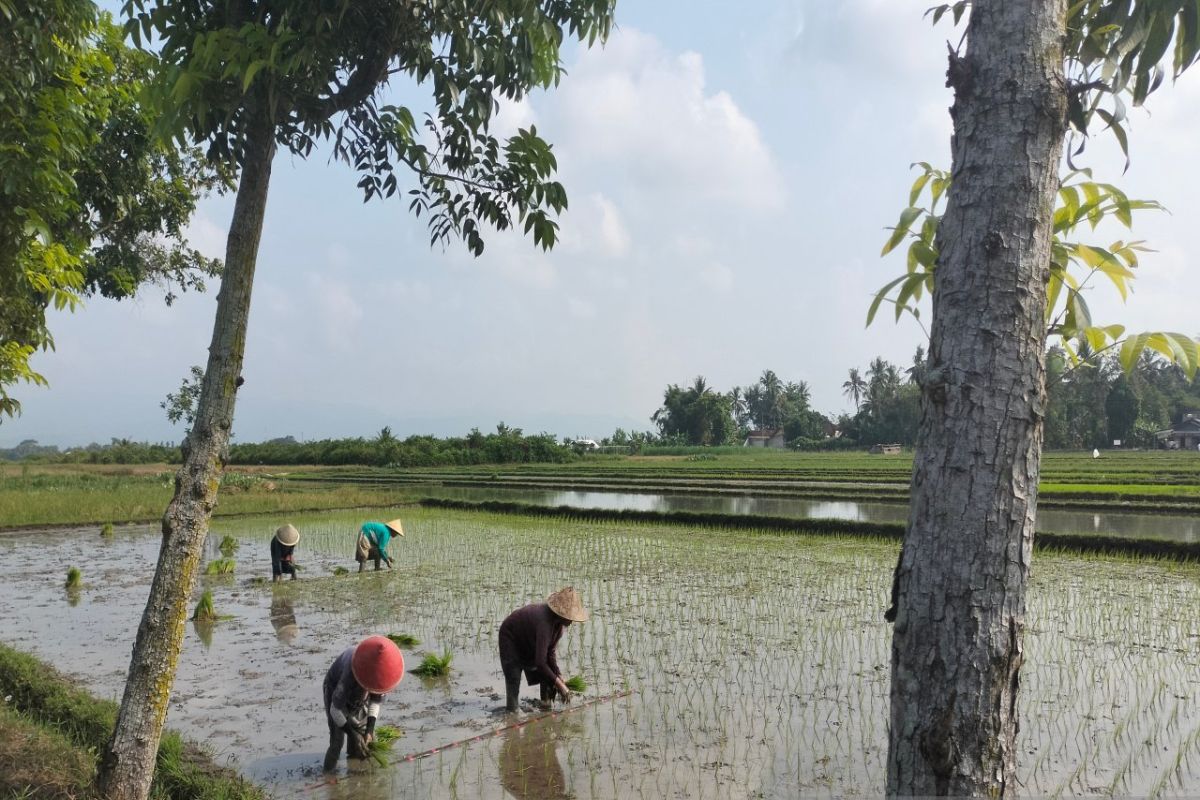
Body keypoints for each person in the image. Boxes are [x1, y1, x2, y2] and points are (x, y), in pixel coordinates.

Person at [498, 586, 588, 713]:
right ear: (560, 613)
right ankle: (512, 712)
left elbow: (550, 653)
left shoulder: (558, 627)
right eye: (569, 617)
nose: (571, 621)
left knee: (550, 672)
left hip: (528, 639)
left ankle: (545, 704)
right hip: (511, 637)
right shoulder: (544, 623)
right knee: (514, 679)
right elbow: (540, 662)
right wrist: (560, 685)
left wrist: (558, 674)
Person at [322, 635, 404, 772]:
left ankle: (354, 768)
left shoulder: (382, 673)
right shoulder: (350, 672)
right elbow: (335, 711)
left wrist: (369, 730)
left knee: (362, 740)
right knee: (337, 741)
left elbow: (375, 701)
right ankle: (328, 775)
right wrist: (352, 733)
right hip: (335, 689)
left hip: (360, 689)